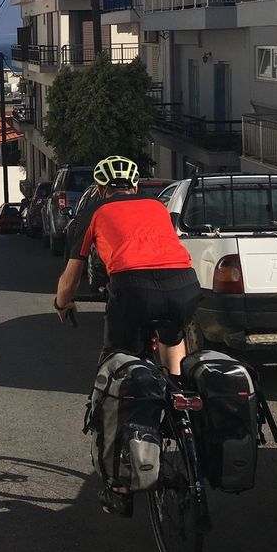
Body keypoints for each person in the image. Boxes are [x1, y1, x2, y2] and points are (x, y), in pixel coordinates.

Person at [53, 155, 201, 516]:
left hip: (133, 291)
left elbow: (72, 273)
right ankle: (179, 407)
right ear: (134, 186)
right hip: (184, 286)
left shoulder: (94, 211)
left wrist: (62, 303)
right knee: (172, 341)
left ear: (101, 189)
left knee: (118, 371)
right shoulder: (157, 207)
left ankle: (119, 487)